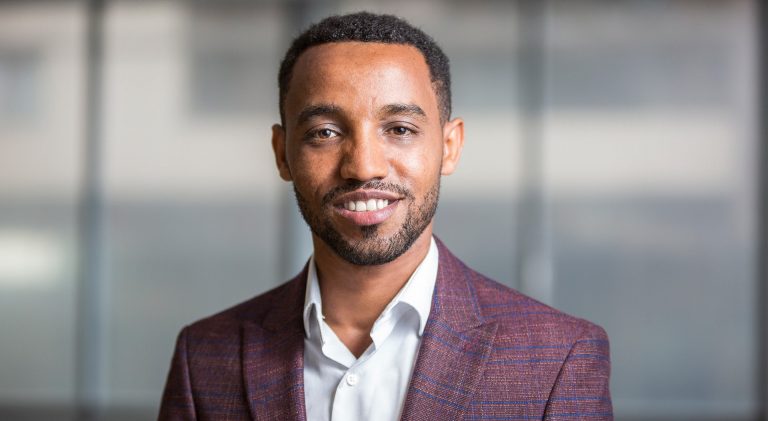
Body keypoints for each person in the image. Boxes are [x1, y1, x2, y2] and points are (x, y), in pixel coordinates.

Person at [159, 12, 611, 421]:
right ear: (282, 154)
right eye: (325, 132)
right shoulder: (204, 357)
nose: (363, 166)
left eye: (400, 130)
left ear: (449, 146)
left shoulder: (558, 359)